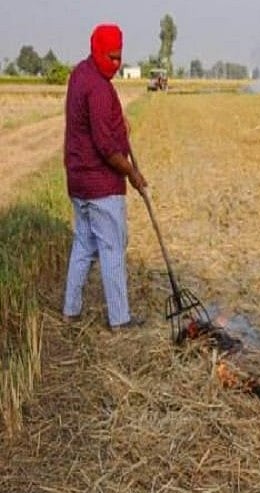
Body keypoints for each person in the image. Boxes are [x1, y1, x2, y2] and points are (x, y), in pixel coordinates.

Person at [62, 23, 148, 331]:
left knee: (84, 244)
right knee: (112, 248)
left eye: (119, 57)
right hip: (100, 185)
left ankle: (71, 310)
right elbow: (107, 148)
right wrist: (133, 174)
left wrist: (118, 121)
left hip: (78, 180)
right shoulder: (98, 88)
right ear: (97, 51)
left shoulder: (81, 73)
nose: (116, 63)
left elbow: (93, 122)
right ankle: (120, 320)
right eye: (111, 57)